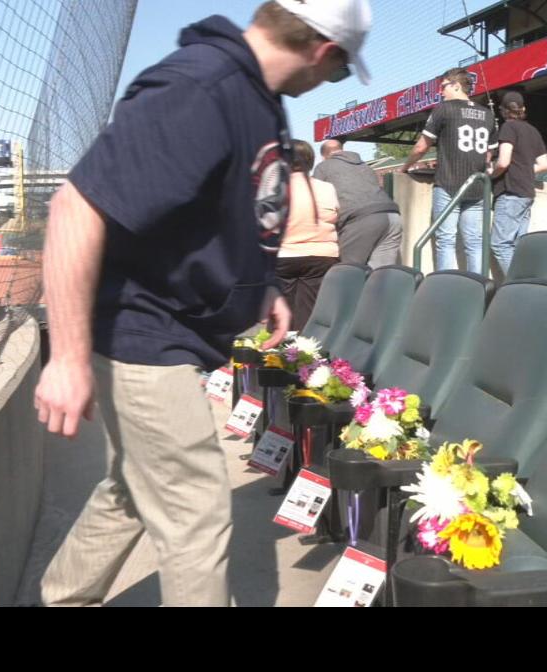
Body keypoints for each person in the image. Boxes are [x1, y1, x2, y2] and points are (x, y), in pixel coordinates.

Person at [34, 0, 372, 607]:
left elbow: (227, 211)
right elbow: (75, 208)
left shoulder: (258, 97)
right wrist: (65, 357)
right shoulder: (201, 86)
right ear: (325, 51)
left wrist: (258, 284)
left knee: (136, 487)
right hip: (142, 330)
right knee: (197, 510)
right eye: (341, 71)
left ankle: (62, 598)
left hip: (174, 328)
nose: (331, 80)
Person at [401, 67, 495, 273]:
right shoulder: (487, 114)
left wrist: (405, 167)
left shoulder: (444, 109)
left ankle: (444, 285)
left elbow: (421, 146)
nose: (440, 91)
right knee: (475, 242)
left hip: (449, 184)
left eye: (443, 86)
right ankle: (477, 288)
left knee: (445, 240)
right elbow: (489, 154)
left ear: (456, 85)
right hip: (477, 186)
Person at [279, 140, 340, 330]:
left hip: (283, 256)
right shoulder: (326, 187)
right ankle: (307, 353)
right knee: (310, 311)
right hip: (321, 257)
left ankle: (275, 354)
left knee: (281, 312)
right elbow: (336, 214)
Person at [314, 138, 403, 266]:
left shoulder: (323, 167)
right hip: (393, 217)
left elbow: (318, 199)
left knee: (347, 272)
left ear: (324, 156)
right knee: (381, 276)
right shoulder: (365, 166)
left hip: (361, 219)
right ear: (341, 150)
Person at [489, 91, 547, 274]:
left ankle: (517, 286)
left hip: (511, 193)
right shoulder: (533, 130)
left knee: (500, 244)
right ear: (523, 109)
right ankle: (526, 283)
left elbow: (504, 161)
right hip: (527, 193)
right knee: (518, 245)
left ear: (504, 111)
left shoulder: (508, 128)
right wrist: (522, 170)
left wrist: (491, 174)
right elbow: (544, 165)